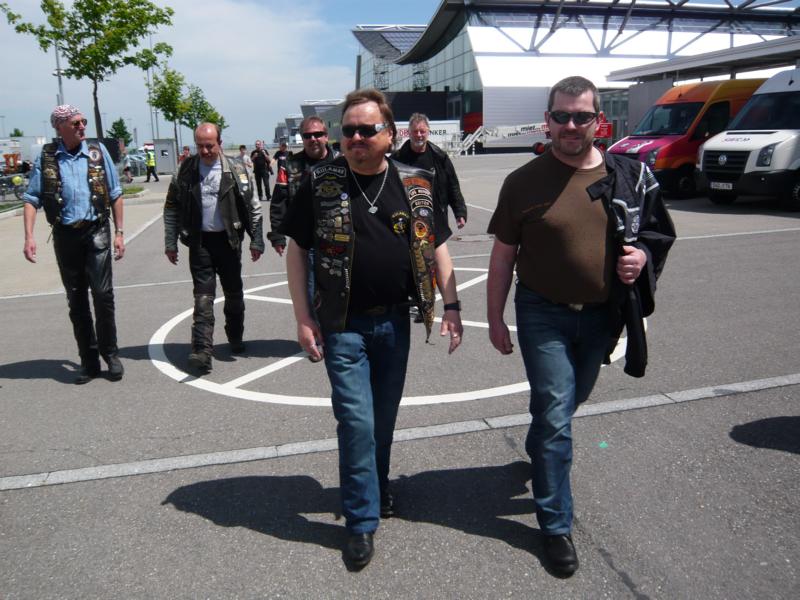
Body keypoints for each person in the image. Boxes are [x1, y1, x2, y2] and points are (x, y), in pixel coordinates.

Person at [486, 76, 676, 576]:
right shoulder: (523, 181)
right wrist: (495, 318)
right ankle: (556, 525)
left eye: (582, 117)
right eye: (561, 116)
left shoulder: (629, 176)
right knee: (555, 413)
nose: (571, 125)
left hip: (601, 316)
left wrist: (642, 256)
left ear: (599, 121)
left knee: (567, 403)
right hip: (541, 312)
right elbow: (503, 256)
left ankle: (541, 445)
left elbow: (656, 232)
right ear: (547, 121)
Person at [280, 88, 464, 569]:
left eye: (367, 130)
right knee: (357, 421)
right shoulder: (320, 182)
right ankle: (360, 521)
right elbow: (297, 250)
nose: (356, 138)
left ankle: (377, 486)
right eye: (349, 130)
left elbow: (436, 245)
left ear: (391, 134)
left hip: (395, 322)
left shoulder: (417, 183)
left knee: (382, 420)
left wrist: (451, 304)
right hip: (343, 324)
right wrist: (302, 317)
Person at [22, 104, 126, 384]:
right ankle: (89, 362)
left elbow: (116, 193)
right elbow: (31, 198)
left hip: (96, 230)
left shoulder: (97, 152)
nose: (82, 127)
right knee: (77, 300)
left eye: (83, 121)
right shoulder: (47, 157)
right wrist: (29, 236)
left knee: (103, 295)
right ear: (60, 127)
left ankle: (111, 355)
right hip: (66, 235)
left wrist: (119, 232)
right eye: (76, 123)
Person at [163, 123, 265, 374]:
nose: (205, 151)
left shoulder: (237, 169)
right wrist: (170, 242)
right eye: (200, 146)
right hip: (200, 243)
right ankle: (202, 351)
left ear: (219, 143)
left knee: (234, 294)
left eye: (209, 145)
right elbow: (171, 207)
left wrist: (257, 240)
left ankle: (235, 336)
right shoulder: (185, 170)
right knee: (203, 299)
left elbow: (253, 206)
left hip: (229, 242)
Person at [269, 116, 338, 256]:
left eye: (318, 134)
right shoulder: (289, 165)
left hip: (338, 238)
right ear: (302, 139)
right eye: (307, 136)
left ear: (326, 137)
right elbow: (278, 202)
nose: (313, 139)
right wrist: (277, 236)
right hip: (304, 242)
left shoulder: (342, 162)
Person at [392, 112, 468, 230]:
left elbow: (453, 186)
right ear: (409, 133)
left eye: (422, 131)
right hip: (409, 218)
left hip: (437, 218)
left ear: (428, 132)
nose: (419, 135)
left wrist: (460, 213)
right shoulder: (397, 160)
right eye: (415, 131)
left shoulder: (440, 157)